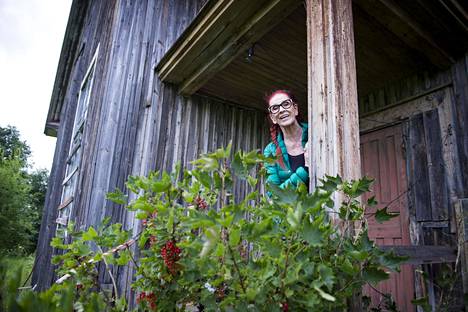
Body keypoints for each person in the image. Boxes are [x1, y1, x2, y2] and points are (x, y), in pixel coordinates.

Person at [263, 90, 309, 189]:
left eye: (286, 104)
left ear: (295, 109)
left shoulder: (316, 135)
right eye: (275, 108)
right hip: (294, 205)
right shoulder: (270, 151)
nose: (281, 110)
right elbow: (274, 194)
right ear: (273, 118)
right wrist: (304, 171)